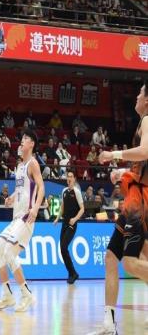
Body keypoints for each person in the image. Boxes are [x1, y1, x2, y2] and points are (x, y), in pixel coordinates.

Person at [91, 80, 148, 335]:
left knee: (131, 263)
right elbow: (143, 165)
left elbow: (145, 151)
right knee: (111, 258)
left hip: (140, 202)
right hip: (134, 198)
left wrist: (113, 155)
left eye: (139, 93)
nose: (136, 97)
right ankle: (108, 324)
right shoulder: (142, 123)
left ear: (147, 100)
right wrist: (123, 172)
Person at [0, 131, 45, 312]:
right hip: (16, 218)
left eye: (25, 139)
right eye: (21, 138)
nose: (21, 141)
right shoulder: (20, 165)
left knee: (9, 252)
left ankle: (26, 294)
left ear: (32, 144)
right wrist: (12, 197)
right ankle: (8, 295)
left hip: (26, 218)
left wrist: (36, 208)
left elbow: (41, 187)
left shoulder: (33, 163)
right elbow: (21, 189)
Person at [53, 171, 84, 284]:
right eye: (68, 176)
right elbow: (62, 206)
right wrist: (57, 218)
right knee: (62, 249)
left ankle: (73, 273)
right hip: (64, 223)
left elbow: (82, 209)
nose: (69, 178)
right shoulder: (64, 191)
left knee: (64, 247)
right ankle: (72, 273)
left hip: (72, 224)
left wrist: (75, 219)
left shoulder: (77, 192)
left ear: (74, 179)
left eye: (71, 176)